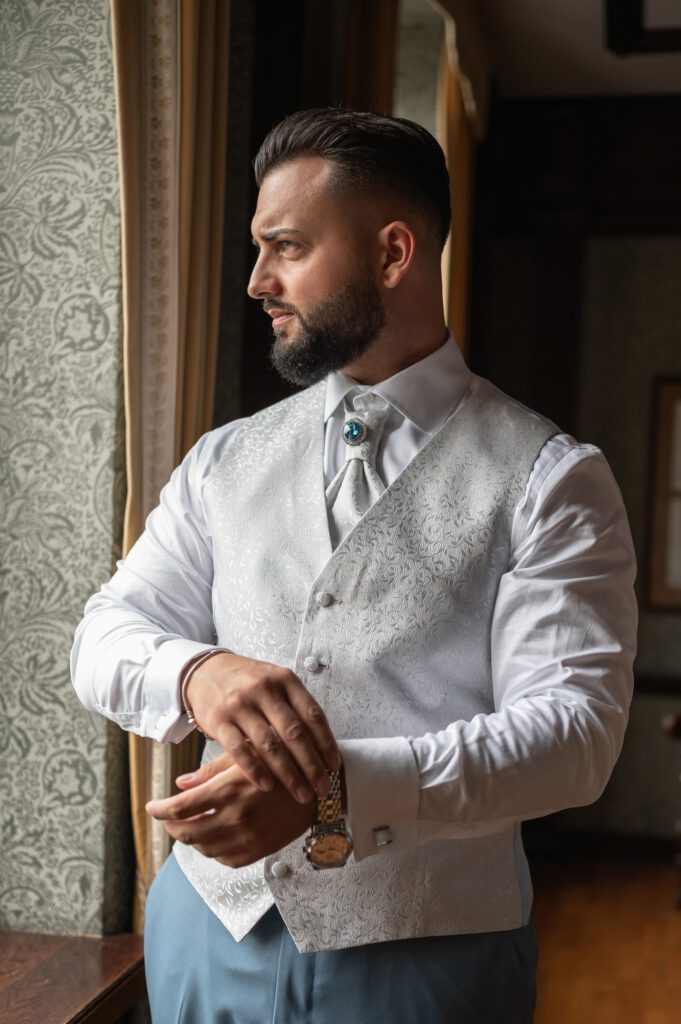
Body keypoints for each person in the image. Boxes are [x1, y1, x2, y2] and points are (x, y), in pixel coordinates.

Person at [71, 108, 637, 1023]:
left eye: (286, 247)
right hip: (205, 930)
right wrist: (197, 671)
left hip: (430, 955)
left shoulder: (550, 479)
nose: (257, 281)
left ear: (392, 253)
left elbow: (572, 737)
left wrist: (332, 795)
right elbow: (101, 636)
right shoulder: (223, 458)